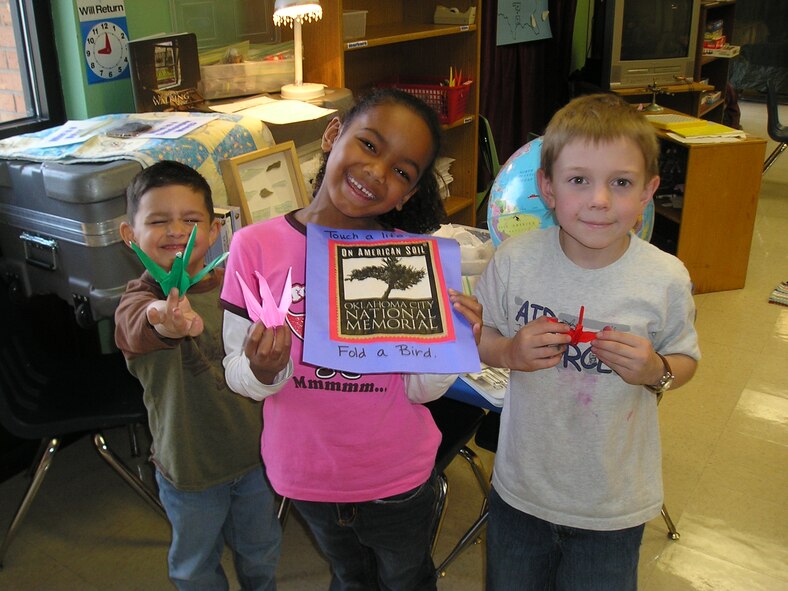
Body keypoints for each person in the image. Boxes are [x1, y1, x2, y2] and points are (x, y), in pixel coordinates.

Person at [220, 88, 483, 591]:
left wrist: (452, 345)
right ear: (333, 134)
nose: (378, 172)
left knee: (407, 578)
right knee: (349, 575)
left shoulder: (408, 259)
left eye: (403, 172)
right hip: (305, 473)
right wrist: (261, 369)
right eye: (368, 145)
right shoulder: (253, 246)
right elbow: (239, 373)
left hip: (397, 476)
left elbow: (421, 389)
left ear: (407, 194)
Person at [474, 93, 700, 591]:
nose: (600, 200)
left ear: (648, 192)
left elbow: (684, 360)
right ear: (547, 188)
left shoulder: (664, 277)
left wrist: (654, 369)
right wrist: (509, 352)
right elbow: (480, 338)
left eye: (620, 183)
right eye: (579, 180)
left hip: (613, 505)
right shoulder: (514, 261)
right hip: (521, 491)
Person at [114, 161, 281, 591]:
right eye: (157, 221)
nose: (176, 231)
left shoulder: (240, 291)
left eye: (190, 220)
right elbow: (139, 324)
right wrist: (163, 320)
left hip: (256, 460)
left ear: (213, 229)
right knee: (194, 565)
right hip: (188, 471)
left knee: (261, 552)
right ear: (130, 235)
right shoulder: (137, 301)